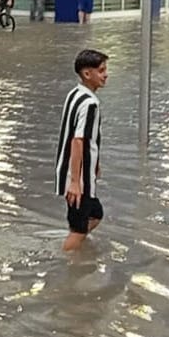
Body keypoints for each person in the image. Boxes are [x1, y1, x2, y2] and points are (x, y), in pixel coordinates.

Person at [56, 49, 109, 251]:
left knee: (96, 214)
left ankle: (77, 251)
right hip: (79, 177)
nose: (106, 75)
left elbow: (86, 139)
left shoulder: (74, 94)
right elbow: (78, 141)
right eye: (101, 70)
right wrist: (76, 182)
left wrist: (96, 163)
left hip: (74, 171)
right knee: (78, 229)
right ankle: (66, 262)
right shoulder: (90, 104)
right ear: (87, 74)